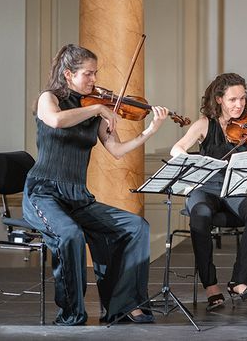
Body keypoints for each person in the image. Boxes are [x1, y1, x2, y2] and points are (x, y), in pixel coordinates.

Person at [22, 44, 169, 325]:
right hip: (42, 193)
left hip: (77, 197)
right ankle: (71, 314)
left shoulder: (94, 110)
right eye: (88, 74)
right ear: (68, 74)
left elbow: (117, 150)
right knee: (70, 235)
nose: (94, 79)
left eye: (95, 73)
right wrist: (99, 108)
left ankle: (125, 306)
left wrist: (151, 130)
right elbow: (55, 120)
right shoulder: (48, 99)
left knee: (135, 227)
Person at [170, 73, 247, 310]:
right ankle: (210, 285)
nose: (239, 105)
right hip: (205, 189)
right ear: (219, 99)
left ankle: (239, 281)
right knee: (200, 214)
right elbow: (177, 149)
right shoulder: (204, 124)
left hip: (234, 189)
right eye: (232, 99)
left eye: (242, 99)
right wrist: (190, 159)